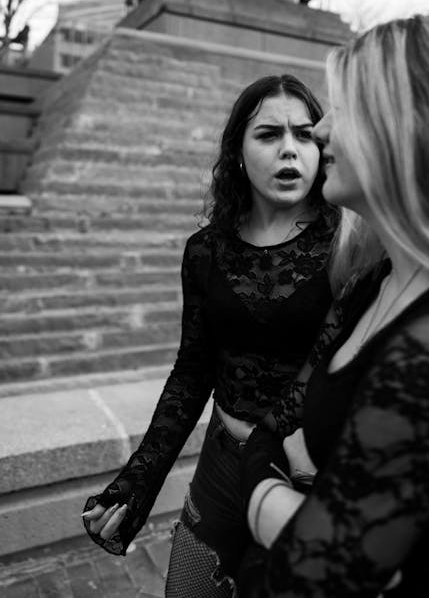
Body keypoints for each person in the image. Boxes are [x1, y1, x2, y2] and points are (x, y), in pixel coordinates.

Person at [238, 14, 429, 598]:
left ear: (414, 128)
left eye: (343, 108)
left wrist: (260, 492)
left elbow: (309, 578)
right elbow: (284, 416)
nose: (321, 131)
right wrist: (293, 490)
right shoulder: (375, 282)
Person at [81, 74, 340, 596]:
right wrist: (140, 479)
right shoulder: (206, 250)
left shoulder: (350, 241)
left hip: (314, 477)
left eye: (305, 134)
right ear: (239, 152)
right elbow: (193, 371)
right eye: (268, 135)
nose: (290, 149)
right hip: (223, 463)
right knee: (188, 590)